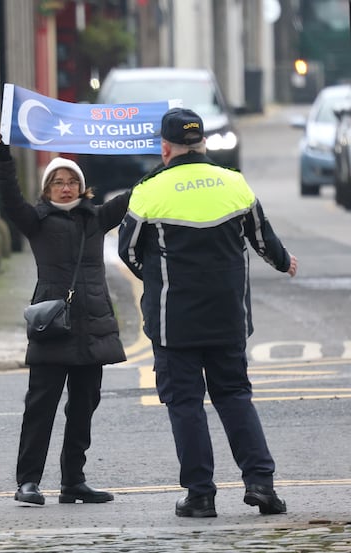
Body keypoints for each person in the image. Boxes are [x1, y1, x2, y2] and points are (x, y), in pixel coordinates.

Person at [118, 107, 298, 518]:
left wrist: (161, 278)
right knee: (235, 396)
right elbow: (263, 239)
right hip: (227, 316)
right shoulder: (234, 184)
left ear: (166, 148)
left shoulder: (149, 191)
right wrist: (285, 261)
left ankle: (200, 495)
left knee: (185, 404)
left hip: (173, 318)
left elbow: (128, 253)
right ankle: (261, 485)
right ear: (202, 144)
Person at [0, 144, 128, 507]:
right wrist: (4, 160)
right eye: (57, 182)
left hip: (92, 327)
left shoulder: (96, 217)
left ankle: (74, 481)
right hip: (53, 326)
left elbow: (137, 195)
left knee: (84, 407)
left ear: (82, 187)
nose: (65, 188)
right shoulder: (35, 220)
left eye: (71, 181)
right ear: (47, 189)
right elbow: (8, 198)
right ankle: (28, 482)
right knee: (41, 407)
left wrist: (167, 165)